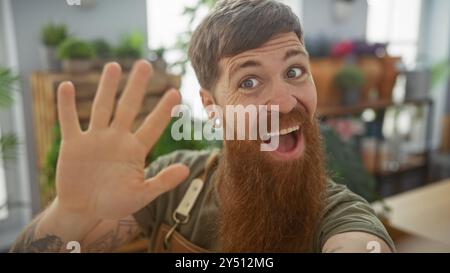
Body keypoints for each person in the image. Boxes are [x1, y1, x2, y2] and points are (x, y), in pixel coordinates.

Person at [10, 0, 394, 253]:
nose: (284, 101)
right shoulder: (173, 184)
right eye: (249, 81)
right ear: (211, 106)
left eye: (294, 71)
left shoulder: (340, 216)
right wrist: (72, 213)